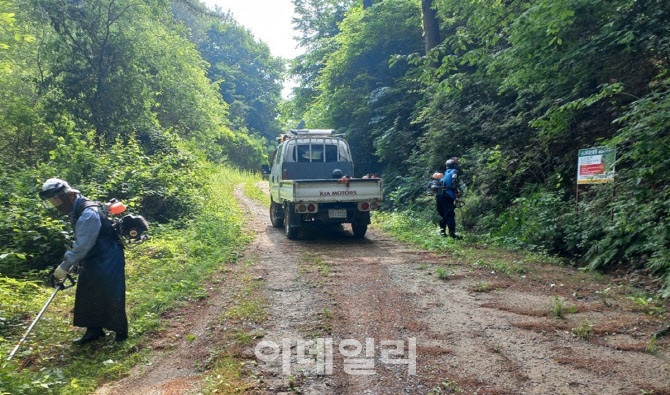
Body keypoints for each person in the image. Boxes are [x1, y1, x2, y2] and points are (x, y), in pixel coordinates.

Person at [39, 178, 128, 344]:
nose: (56, 205)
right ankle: (94, 331)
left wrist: (64, 266)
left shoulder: (88, 213)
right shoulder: (76, 208)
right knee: (88, 292)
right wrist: (75, 262)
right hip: (93, 255)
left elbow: (82, 245)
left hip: (108, 255)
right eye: (52, 201)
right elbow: (83, 243)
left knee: (110, 293)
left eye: (57, 200)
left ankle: (120, 333)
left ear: (70, 195)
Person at [435, 158, 462, 239]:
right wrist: (456, 193)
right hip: (447, 196)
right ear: (453, 165)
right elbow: (454, 183)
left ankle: (442, 232)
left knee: (443, 215)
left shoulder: (444, 173)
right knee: (450, 215)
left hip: (439, 196)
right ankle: (452, 234)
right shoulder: (454, 172)